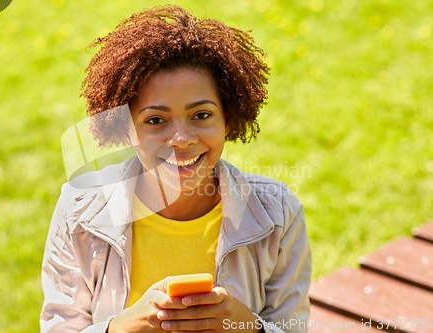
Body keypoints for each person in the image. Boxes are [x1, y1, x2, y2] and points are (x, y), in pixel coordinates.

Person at [40, 4, 311, 333]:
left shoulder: (278, 214)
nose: (181, 139)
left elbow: (292, 325)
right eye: (155, 120)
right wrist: (118, 328)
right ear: (125, 129)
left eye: (201, 115)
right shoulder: (79, 209)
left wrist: (250, 327)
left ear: (228, 117)